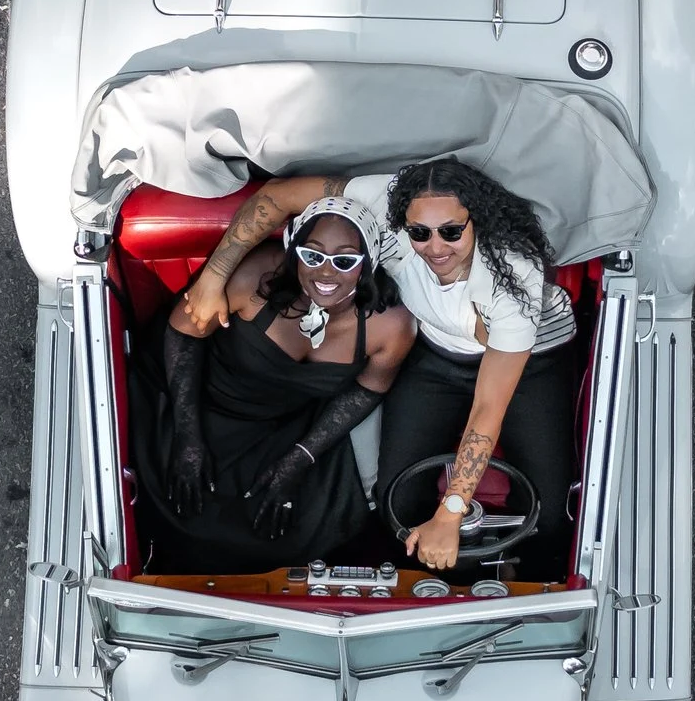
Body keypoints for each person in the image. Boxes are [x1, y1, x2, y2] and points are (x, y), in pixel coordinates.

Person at [173, 156, 576, 578]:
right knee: (396, 503)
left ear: (478, 220)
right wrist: (212, 279)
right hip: (437, 355)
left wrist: (452, 511)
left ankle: (519, 579)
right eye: (419, 233)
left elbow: (486, 409)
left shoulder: (512, 274)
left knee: (546, 516)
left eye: (452, 232)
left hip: (531, 364)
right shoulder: (385, 200)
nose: (435, 247)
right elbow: (278, 197)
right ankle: (428, 586)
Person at [136, 203, 415, 575]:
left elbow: (366, 391)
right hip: (201, 399)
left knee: (301, 516)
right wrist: (188, 437)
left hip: (287, 422)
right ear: (293, 250)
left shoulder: (390, 325)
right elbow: (183, 336)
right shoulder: (254, 279)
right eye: (312, 255)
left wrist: (298, 460)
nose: (326, 272)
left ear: (368, 261)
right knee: (187, 502)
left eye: (345, 261)